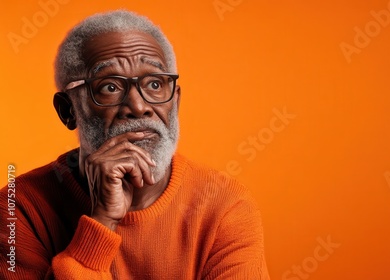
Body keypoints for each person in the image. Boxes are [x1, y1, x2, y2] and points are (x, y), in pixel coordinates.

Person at [0, 10, 269, 279]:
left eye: (154, 83)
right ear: (68, 110)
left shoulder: (226, 207)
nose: (139, 107)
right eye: (110, 87)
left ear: (175, 100)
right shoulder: (17, 208)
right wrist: (102, 221)